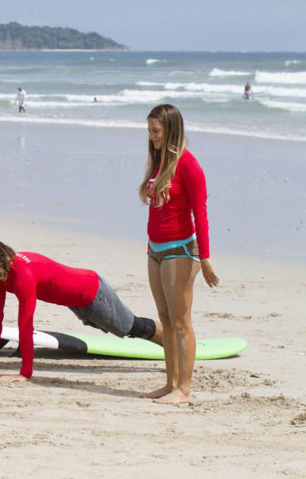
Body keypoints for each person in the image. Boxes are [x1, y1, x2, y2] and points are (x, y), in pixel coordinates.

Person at [0, 235, 163, 383]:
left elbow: (26, 325)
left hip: (92, 292)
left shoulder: (23, 277)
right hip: (74, 301)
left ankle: (173, 343)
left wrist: (24, 373)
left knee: (131, 328)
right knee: (126, 330)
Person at [140, 104, 219, 405]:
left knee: (181, 320)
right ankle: (170, 383)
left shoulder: (189, 165)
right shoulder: (159, 162)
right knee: (165, 319)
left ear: (171, 130)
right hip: (155, 249)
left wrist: (206, 257)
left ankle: (184, 390)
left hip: (180, 250)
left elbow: (201, 213)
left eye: (156, 131)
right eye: (149, 131)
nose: (151, 137)